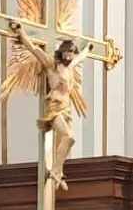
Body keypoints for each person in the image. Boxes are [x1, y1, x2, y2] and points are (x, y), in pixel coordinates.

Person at [10, 24, 90, 190]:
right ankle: (56, 170)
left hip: (67, 111)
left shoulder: (70, 67)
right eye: (68, 51)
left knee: (67, 142)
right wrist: (21, 32)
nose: (70, 55)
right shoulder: (52, 65)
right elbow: (33, 49)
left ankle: (57, 171)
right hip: (55, 109)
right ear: (62, 51)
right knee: (70, 138)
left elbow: (81, 58)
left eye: (72, 52)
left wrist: (88, 49)